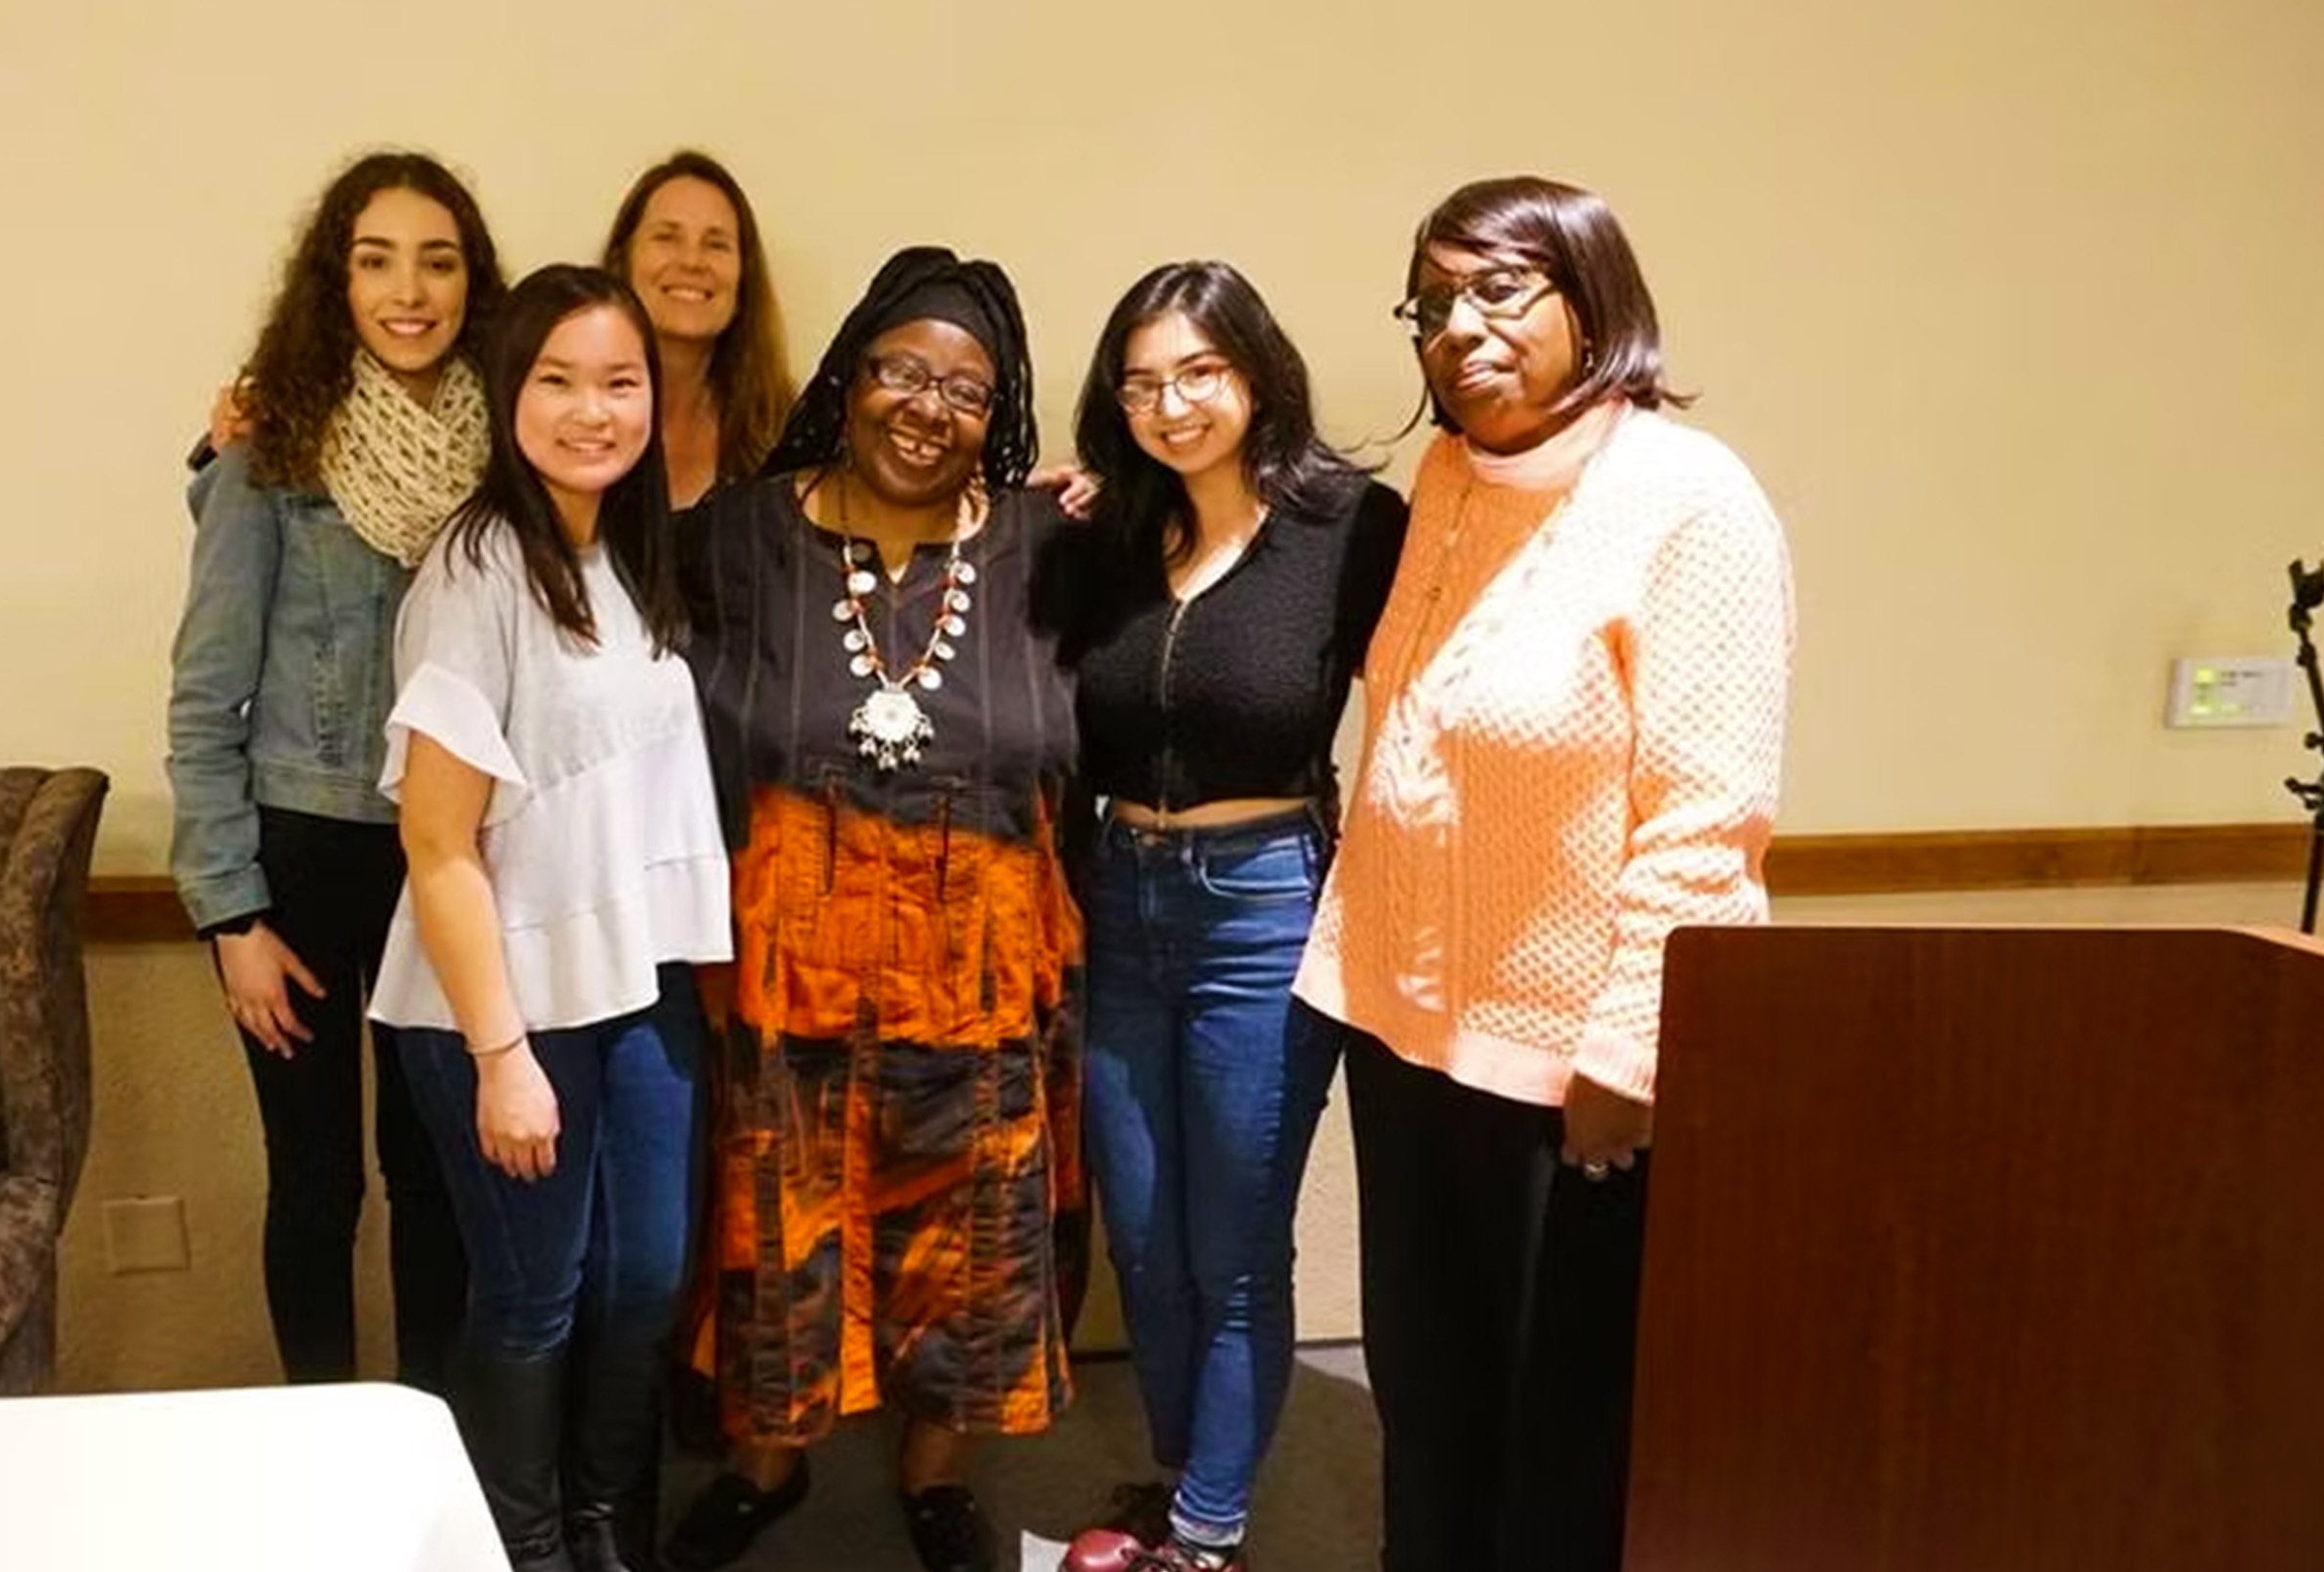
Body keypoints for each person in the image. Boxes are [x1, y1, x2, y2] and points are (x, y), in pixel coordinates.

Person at [1295, 176, 1795, 1572]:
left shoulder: (1691, 504)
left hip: (1571, 1075)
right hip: (1406, 1037)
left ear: (1595, 296)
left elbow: (1705, 821)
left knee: (1563, 1434)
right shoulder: (1451, 477)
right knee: (1428, 1402)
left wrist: (1625, 1060)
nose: (1460, 328)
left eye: (1499, 289)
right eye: (1433, 302)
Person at [661, 247, 1089, 1572]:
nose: (927, 406)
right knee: (781, 1230)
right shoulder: (732, 537)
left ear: (998, 412)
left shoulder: (1048, 547)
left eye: (965, 388)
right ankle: (769, 1464)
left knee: (969, 1245)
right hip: (790, 967)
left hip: (984, 967)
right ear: (849, 378)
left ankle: (935, 1474)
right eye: (902, 370)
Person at [371, 263, 733, 1572]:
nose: (594, 410)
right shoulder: (475, 572)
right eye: (560, 381)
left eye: (621, 382)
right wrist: (500, 1057)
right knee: (535, 1299)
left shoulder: (623, 551)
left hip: (638, 991)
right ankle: (518, 1549)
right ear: (509, 394)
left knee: (644, 1288)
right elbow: (435, 838)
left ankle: (607, 1530)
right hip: (507, 1008)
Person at [1052, 262, 1408, 1572]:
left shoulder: (1351, 529)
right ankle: (1183, 1477)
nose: (1171, 403)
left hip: (1264, 901)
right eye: (1141, 381)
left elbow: (1427, 713)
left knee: (1235, 1237)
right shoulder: (1108, 538)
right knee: (1142, 1237)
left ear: (1255, 371)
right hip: (1118, 901)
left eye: (1198, 371)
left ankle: (1206, 1529)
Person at [164, 149, 502, 1392]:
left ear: (474, 281)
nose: (408, 290)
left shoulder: (506, 454)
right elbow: (204, 700)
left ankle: (436, 1443)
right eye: (375, 260)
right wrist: (231, 915)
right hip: (300, 854)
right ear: (335, 281)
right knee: (315, 1182)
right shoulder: (270, 452)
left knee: (438, 1177)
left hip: (453, 860)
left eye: (437, 259)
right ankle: (322, 1441)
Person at [599, 149, 798, 510]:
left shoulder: (780, 429)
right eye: (667, 237)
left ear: (743, 282)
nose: (692, 261)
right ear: (622, 262)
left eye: (716, 244)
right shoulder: (573, 415)